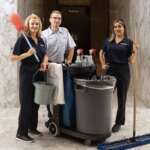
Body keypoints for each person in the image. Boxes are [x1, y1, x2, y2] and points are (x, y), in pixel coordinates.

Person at [11, 14, 48, 142]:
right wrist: (27, 53)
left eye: (36, 24)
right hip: (27, 74)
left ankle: (32, 128)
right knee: (26, 103)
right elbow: (13, 57)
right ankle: (21, 133)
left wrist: (44, 61)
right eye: (32, 23)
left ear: (39, 26)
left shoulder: (41, 40)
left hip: (39, 73)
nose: (34, 26)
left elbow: (45, 55)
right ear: (28, 25)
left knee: (35, 103)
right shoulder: (22, 40)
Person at [99, 19, 139, 132]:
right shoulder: (108, 41)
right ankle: (102, 119)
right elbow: (101, 52)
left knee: (122, 99)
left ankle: (118, 122)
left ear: (124, 28)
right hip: (110, 71)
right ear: (113, 29)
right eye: (115, 27)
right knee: (105, 96)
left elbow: (132, 60)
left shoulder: (129, 42)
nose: (117, 28)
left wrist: (135, 51)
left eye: (119, 26)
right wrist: (102, 64)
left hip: (123, 72)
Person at [41, 10, 76, 123]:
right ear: (50, 19)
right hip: (49, 65)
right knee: (50, 91)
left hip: (62, 66)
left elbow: (71, 47)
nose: (56, 20)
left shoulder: (65, 31)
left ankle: (61, 115)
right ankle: (51, 115)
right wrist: (45, 63)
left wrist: (69, 60)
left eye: (59, 18)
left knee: (61, 90)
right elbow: (42, 52)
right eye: (54, 18)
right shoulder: (43, 34)